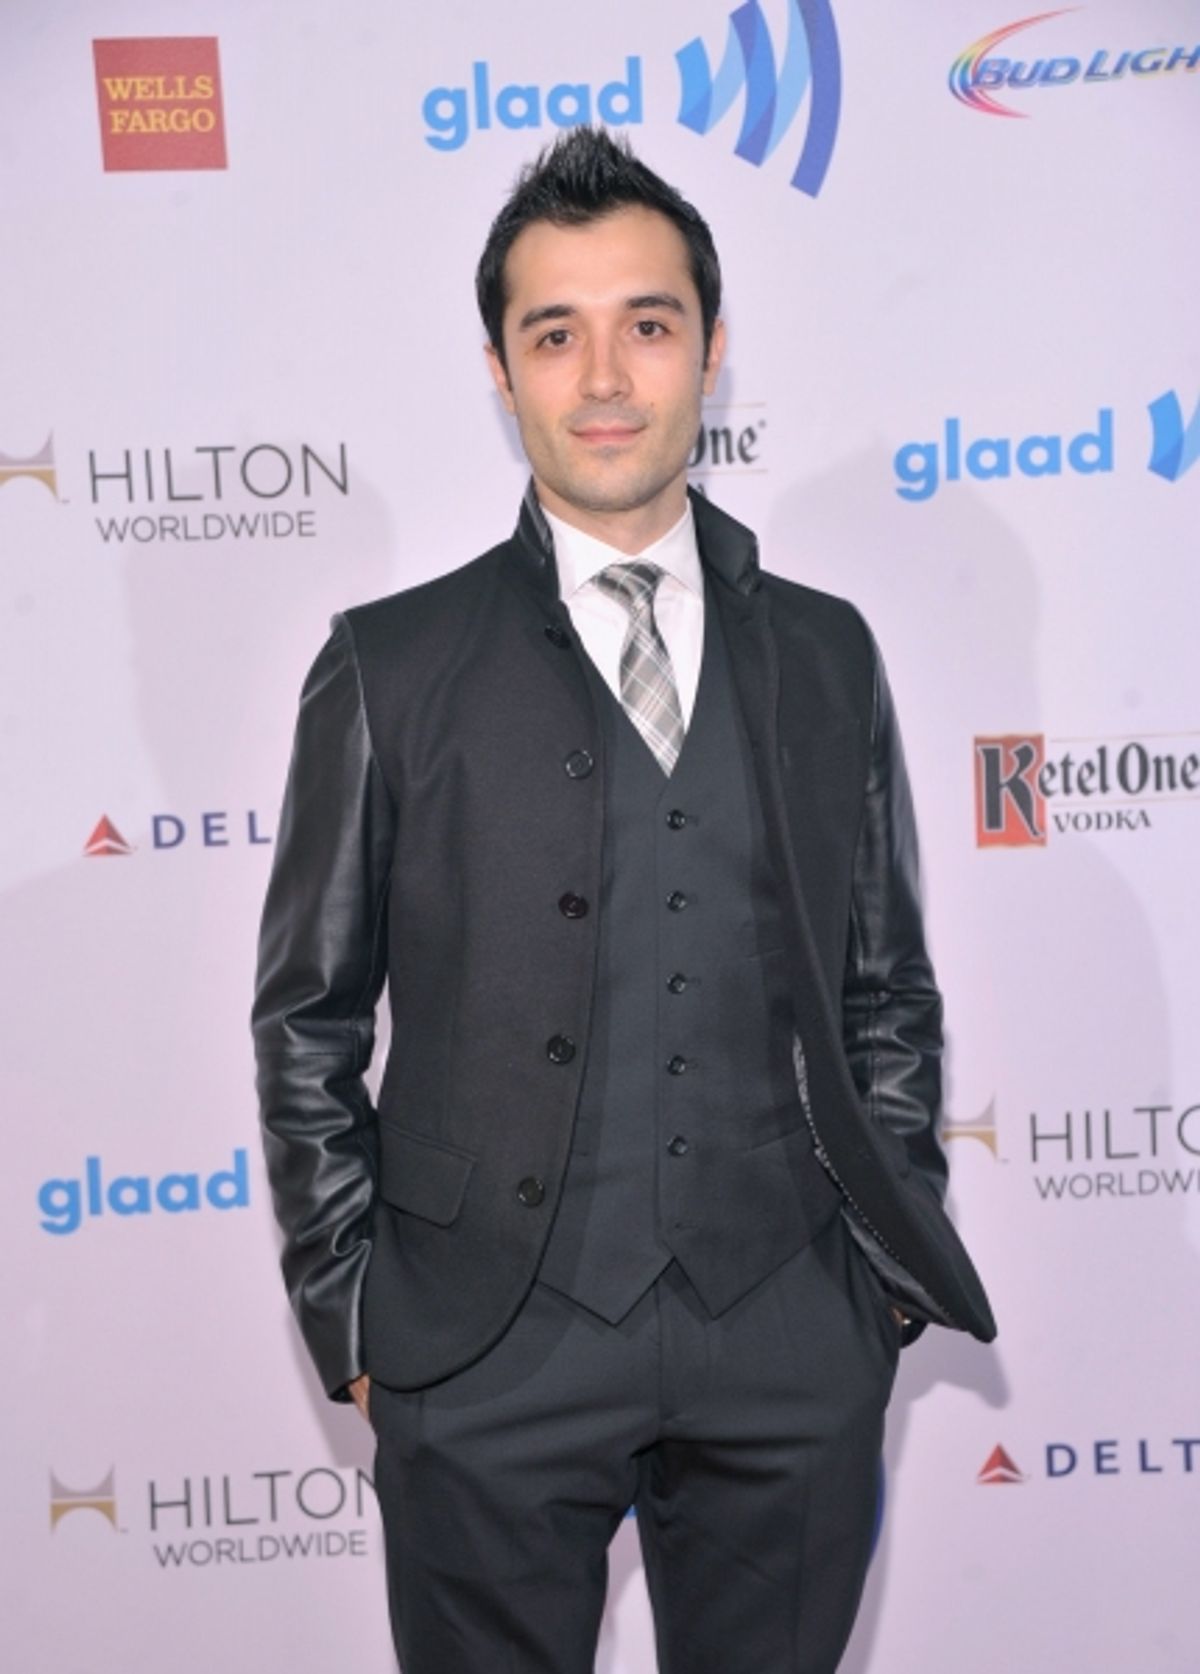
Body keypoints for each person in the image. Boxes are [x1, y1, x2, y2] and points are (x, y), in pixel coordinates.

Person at [253, 127, 995, 1674]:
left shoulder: (826, 653)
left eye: (646, 324)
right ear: (501, 367)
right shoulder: (388, 666)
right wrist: (357, 1315)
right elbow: (308, 1017)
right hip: (479, 1351)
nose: (604, 374)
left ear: (710, 353)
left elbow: (887, 989)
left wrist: (877, 1294)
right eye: (555, 332)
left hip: (789, 1335)